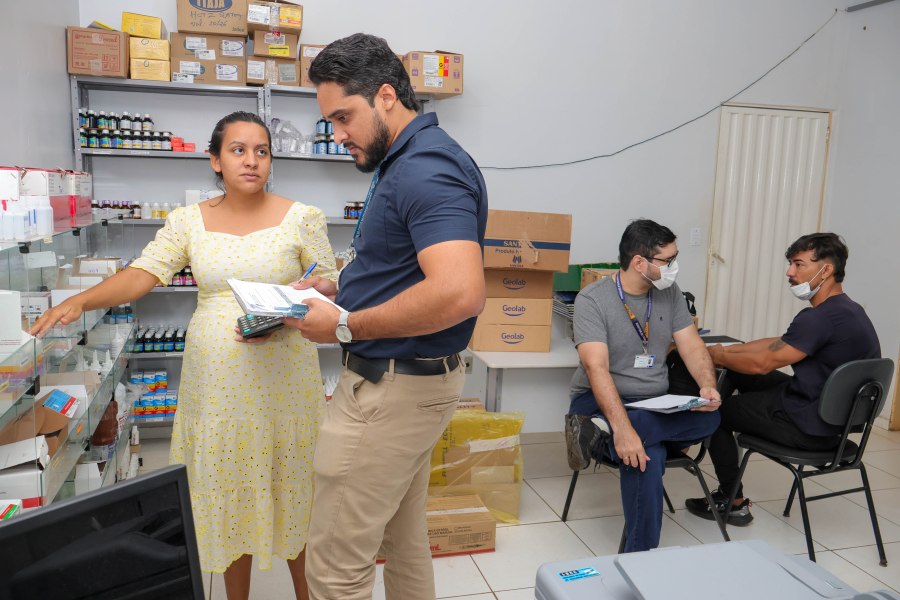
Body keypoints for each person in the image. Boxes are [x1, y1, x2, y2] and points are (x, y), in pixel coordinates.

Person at [30, 111, 338, 600]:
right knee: (229, 487)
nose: (252, 160)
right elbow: (142, 275)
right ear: (215, 160)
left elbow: (330, 285)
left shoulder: (302, 217)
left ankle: (310, 594)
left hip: (285, 377)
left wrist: (314, 292)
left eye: (262, 150)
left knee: (294, 484)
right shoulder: (187, 222)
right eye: (238, 150)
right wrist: (81, 299)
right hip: (218, 381)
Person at [278, 33, 487, 600]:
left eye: (343, 117)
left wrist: (345, 324)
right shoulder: (403, 162)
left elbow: (460, 291)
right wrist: (339, 284)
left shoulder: (424, 169)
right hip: (414, 384)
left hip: (391, 390)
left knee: (335, 570)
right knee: (404, 541)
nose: (337, 133)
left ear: (386, 96)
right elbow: (401, 265)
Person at [685, 233, 880, 525]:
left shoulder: (818, 318)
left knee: (717, 413)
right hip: (832, 420)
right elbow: (778, 343)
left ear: (825, 269)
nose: (789, 272)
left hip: (809, 428)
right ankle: (698, 430)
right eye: (790, 264)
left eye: (798, 264)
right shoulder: (849, 310)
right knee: (737, 370)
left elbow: (764, 363)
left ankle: (731, 499)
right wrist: (725, 350)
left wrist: (712, 357)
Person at [567, 219, 721, 553]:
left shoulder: (670, 293)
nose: (674, 267)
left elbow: (693, 347)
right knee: (645, 455)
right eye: (667, 260)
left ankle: (611, 431)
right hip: (597, 401)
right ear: (640, 262)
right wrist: (622, 427)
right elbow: (597, 368)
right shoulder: (592, 300)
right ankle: (640, 558)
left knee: (712, 416)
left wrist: (707, 386)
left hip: (654, 404)